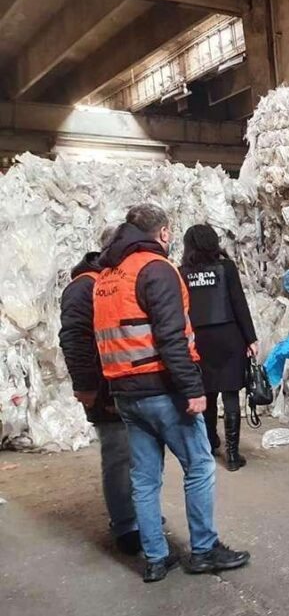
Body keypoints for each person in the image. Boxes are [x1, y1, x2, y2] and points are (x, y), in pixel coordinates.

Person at [94, 204, 250, 583]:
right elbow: (171, 337)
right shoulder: (156, 269)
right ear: (163, 233)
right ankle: (203, 549)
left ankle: (155, 558)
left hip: (125, 392)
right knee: (198, 464)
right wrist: (192, 389)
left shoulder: (107, 276)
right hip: (161, 388)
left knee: (145, 478)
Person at [59, 226, 141, 555]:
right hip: (105, 390)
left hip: (127, 385)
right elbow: (74, 338)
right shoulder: (84, 287)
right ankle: (125, 525)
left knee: (137, 456)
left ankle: (138, 513)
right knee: (119, 456)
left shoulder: (112, 282)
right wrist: (86, 386)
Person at [180, 224, 258, 471]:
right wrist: (251, 338)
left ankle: (210, 442)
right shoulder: (226, 268)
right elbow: (238, 303)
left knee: (208, 391)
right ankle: (233, 455)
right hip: (229, 334)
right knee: (231, 391)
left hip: (199, 337)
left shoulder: (183, 272)